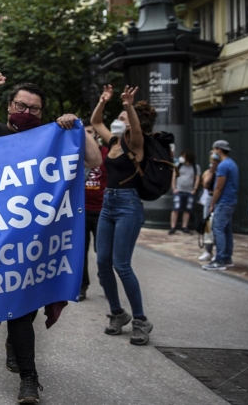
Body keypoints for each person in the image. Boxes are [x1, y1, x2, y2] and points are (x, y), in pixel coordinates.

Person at [0, 67, 102, 405]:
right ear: (9, 107)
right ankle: (28, 375)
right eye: (21, 105)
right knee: (17, 308)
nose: (26, 112)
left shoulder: (52, 137)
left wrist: (75, 125)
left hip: (36, 242)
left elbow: (93, 158)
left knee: (22, 309)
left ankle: (23, 363)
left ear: (43, 114)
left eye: (34, 109)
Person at [90, 86, 155, 346]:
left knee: (122, 264)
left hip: (129, 206)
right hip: (109, 204)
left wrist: (129, 105)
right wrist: (102, 101)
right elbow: (96, 122)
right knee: (102, 262)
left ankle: (140, 320)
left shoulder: (137, 142)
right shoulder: (115, 141)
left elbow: (137, 130)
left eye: (123, 114)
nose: (119, 116)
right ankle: (118, 313)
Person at [81, 114, 109, 302]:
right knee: (79, 253)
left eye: (92, 132)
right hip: (80, 212)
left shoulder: (107, 153)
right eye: (86, 133)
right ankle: (82, 287)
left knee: (103, 254)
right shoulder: (75, 154)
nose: (90, 136)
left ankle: (108, 284)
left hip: (101, 211)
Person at [202, 140, 239, 271]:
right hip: (230, 201)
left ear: (218, 149)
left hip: (224, 201)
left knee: (218, 229)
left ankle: (220, 259)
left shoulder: (223, 166)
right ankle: (227, 257)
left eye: (214, 150)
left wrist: (213, 203)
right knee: (226, 230)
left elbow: (218, 187)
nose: (213, 152)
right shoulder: (232, 164)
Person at [169, 151, 200, 235]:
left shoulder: (195, 167)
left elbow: (197, 178)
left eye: (183, 156)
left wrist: (195, 189)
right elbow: (174, 176)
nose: (182, 157)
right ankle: (173, 227)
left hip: (189, 191)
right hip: (178, 191)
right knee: (176, 209)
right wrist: (174, 187)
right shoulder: (178, 165)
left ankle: (184, 226)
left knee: (187, 210)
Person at [198, 153, 220, 261]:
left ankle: (217, 251)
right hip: (209, 197)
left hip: (219, 199)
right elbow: (206, 184)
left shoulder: (222, 171)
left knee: (217, 226)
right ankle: (208, 250)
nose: (213, 163)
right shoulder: (209, 172)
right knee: (207, 224)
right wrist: (212, 171)